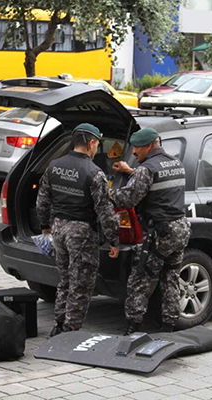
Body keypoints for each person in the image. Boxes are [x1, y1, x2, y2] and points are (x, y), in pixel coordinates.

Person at [36, 123, 120, 337]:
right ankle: (70, 333)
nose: (96, 149)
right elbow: (105, 211)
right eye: (97, 144)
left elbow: (42, 202)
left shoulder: (54, 166)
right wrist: (113, 240)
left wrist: (45, 227)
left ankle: (59, 324)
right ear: (91, 143)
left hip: (58, 230)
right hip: (81, 233)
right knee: (81, 284)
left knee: (64, 280)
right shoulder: (94, 173)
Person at [111, 127, 191, 335]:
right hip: (179, 229)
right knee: (171, 277)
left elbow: (127, 199)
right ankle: (168, 326)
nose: (134, 151)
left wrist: (104, 191)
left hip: (159, 233)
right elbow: (156, 182)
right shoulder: (175, 163)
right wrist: (132, 172)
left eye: (137, 147)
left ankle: (133, 326)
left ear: (149, 145)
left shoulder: (146, 169)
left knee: (140, 278)